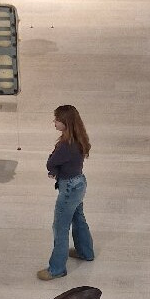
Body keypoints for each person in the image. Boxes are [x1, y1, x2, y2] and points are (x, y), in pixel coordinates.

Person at [39, 105, 95, 280]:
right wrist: (56, 169)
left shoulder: (65, 145)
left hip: (69, 188)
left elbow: (51, 162)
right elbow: (61, 164)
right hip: (79, 183)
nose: (54, 122)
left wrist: (53, 168)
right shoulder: (79, 139)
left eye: (57, 120)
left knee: (60, 227)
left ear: (66, 123)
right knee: (78, 218)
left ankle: (56, 269)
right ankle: (86, 252)